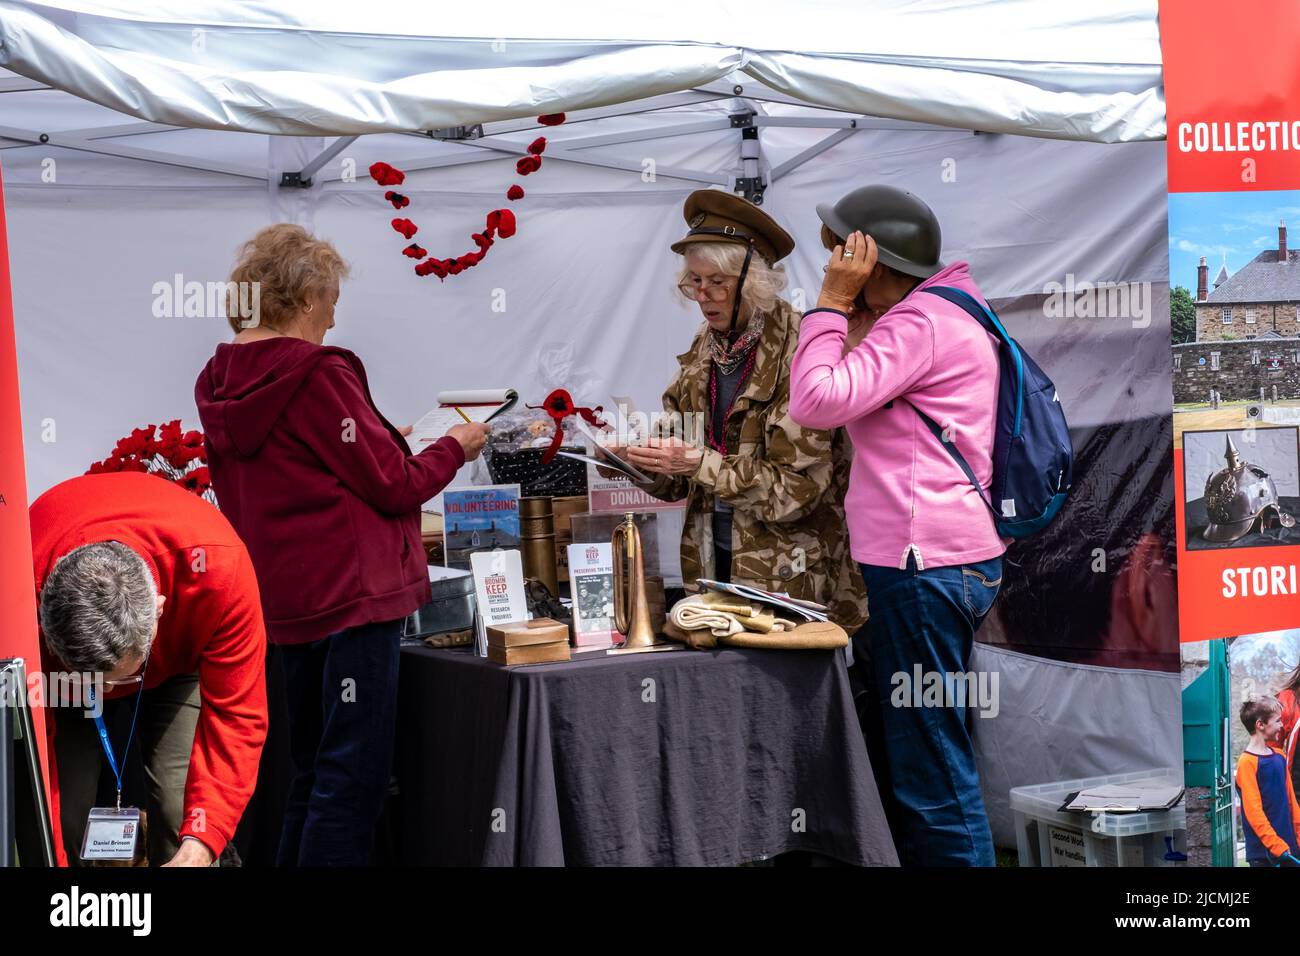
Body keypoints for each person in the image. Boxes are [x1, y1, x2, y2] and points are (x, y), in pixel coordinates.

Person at [195, 223, 489, 866]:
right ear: (303, 300)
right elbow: (394, 485)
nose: (334, 316)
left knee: (313, 771)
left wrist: (383, 437)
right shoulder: (319, 372)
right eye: (330, 299)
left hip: (287, 602)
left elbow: (312, 463)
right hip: (355, 601)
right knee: (351, 781)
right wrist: (453, 447)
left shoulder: (219, 379)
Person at [789, 185, 1005, 866]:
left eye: (841, 253)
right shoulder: (943, 311)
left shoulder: (921, 324)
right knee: (928, 754)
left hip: (925, 566)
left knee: (933, 769)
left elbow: (816, 399)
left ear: (870, 257)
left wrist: (828, 305)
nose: (832, 263)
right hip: (943, 562)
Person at [624, 189, 865, 630]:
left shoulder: (801, 350)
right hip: (713, 574)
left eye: (717, 281)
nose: (702, 295)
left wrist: (698, 463)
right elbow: (678, 480)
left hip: (789, 583)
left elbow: (796, 493)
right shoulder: (705, 347)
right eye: (694, 281)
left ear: (752, 281)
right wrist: (638, 462)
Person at [27, 472, 268, 867]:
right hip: (65, 688)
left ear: (158, 610)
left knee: (181, 810)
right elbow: (39, 754)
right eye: (99, 680)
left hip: (177, 664)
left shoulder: (220, 569)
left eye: (120, 676)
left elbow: (237, 718)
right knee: (67, 818)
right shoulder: (19, 583)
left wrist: (200, 848)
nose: (109, 690)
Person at [1236, 696, 1300, 867]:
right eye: (1278, 720)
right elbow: (1253, 812)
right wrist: (1275, 845)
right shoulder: (1247, 763)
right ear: (1260, 725)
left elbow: (1292, 803)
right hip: (1264, 854)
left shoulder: (1279, 756)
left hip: (1289, 849)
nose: (1282, 725)